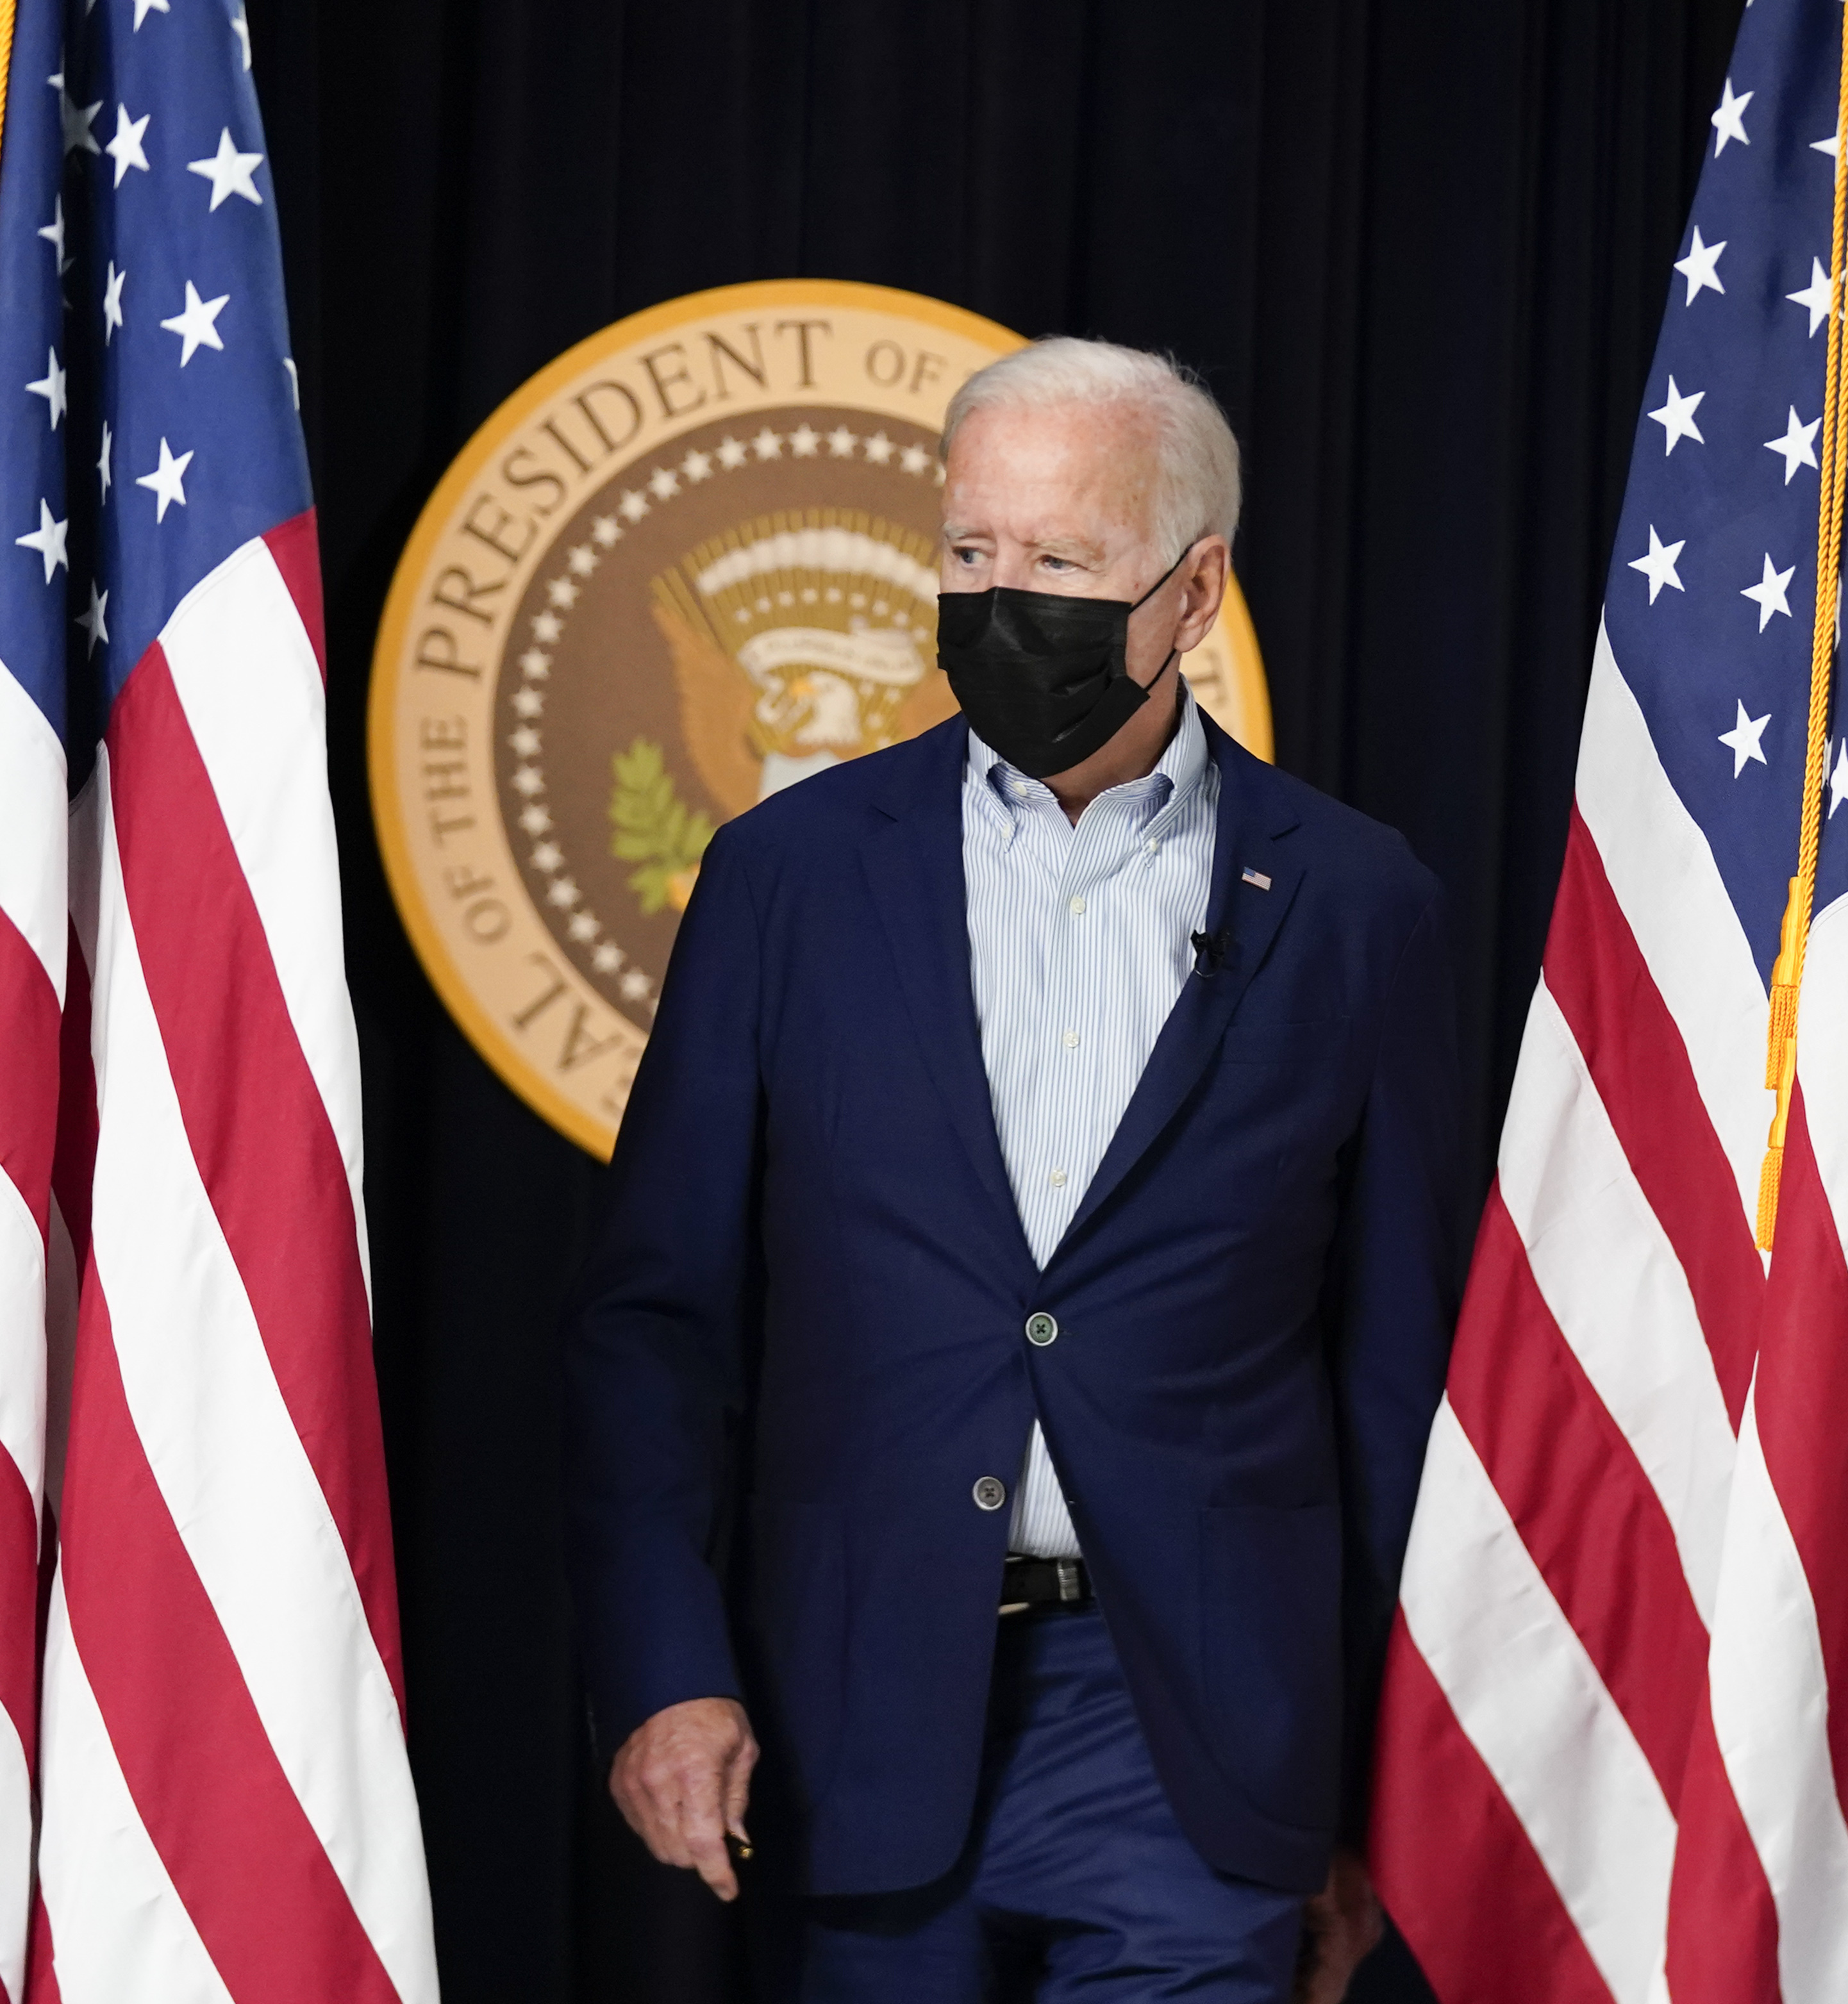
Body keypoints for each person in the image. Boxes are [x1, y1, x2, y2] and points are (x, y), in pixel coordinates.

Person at [563, 338, 1469, 2002]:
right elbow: (657, 1323)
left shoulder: (1357, 905)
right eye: (971, 550)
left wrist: (1375, 1798)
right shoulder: (787, 879)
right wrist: (665, 1670)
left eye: (1059, 562)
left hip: (1196, 1730)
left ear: (1194, 592)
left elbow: (1396, 1377)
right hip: (855, 1711)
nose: (1001, 601)